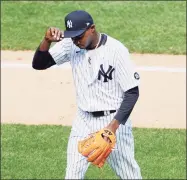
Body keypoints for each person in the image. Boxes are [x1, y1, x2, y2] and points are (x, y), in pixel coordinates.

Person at [32, 10, 142, 179]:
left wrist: (110, 129)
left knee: (129, 175)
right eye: (73, 37)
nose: (76, 41)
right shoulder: (71, 44)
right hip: (82, 121)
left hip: (113, 121)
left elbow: (132, 93)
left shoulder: (116, 50)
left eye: (79, 36)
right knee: (72, 175)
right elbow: (39, 64)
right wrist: (46, 41)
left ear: (92, 29)